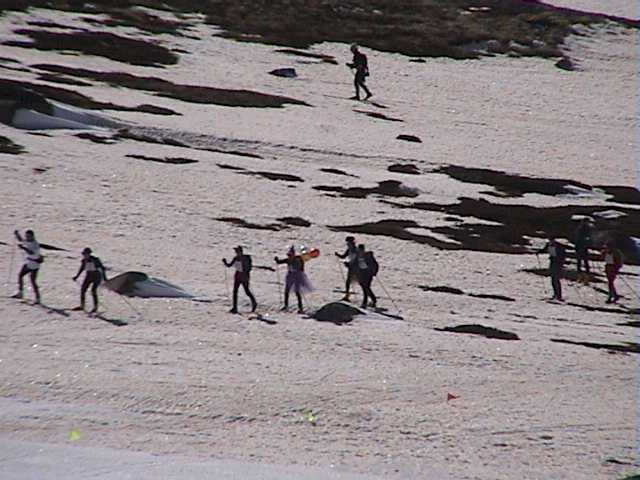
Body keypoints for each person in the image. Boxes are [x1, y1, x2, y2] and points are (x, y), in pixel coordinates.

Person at [274, 246, 313, 313]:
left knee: (297, 292)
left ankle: (300, 308)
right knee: (286, 291)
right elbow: (279, 262)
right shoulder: (288, 260)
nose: (289, 256)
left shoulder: (297, 259)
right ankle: (286, 306)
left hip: (297, 277)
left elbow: (301, 267)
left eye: (290, 255)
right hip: (290, 276)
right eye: (288, 255)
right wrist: (276, 260)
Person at [11, 229, 42, 304]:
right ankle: (21, 293)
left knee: (32, 281)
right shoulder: (28, 241)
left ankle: (37, 298)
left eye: (29, 236)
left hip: (33, 264)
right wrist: (17, 234)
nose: (27, 237)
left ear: (32, 236)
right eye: (26, 236)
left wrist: (23, 248)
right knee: (21, 275)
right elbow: (21, 240)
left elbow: (31, 253)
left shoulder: (35, 244)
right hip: (29, 262)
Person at [223, 246, 257, 314]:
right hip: (238, 277)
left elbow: (249, 268)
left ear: (240, 252)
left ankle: (254, 303)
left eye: (237, 251)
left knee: (246, 291)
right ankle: (235, 308)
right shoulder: (236, 258)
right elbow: (229, 265)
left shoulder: (246, 258)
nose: (236, 253)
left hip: (244, 277)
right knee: (235, 292)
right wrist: (225, 262)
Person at [72, 247, 107, 313]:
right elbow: (82, 268)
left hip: (97, 277)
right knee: (83, 290)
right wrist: (76, 276)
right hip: (88, 276)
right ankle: (82, 306)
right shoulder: (84, 261)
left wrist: (105, 278)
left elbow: (102, 268)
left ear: (89, 254)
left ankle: (95, 307)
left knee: (93, 291)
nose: (85, 255)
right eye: (84, 254)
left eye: (86, 254)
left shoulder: (95, 260)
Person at [538, 236, 566, 301]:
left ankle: (558, 295)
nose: (550, 241)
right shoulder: (549, 244)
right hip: (552, 262)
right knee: (553, 279)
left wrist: (561, 263)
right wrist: (538, 252)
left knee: (556, 279)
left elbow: (562, 256)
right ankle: (555, 294)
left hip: (557, 264)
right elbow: (544, 250)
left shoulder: (559, 246)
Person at [335, 236, 358, 301]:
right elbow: (343, 256)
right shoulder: (349, 250)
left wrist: (349, 264)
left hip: (355, 268)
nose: (348, 244)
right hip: (351, 268)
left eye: (349, 243)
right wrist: (337, 255)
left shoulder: (356, 250)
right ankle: (347, 295)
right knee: (348, 282)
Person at [355, 244, 379, 309]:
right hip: (361, 274)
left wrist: (374, 272)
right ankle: (372, 300)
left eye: (361, 250)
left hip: (368, 274)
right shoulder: (358, 256)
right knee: (364, 287)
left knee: (366, 287)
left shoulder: (368, 256)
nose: (360, 251)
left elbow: (375, 265)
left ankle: (366, 302)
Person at [573, 218, 592, 283]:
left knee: (581, 261)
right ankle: (583, 277)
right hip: (582, 247)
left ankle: (583, 277)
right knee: (582, 261)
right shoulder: (583, 229)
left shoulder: (583, 228)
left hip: (582, 247)